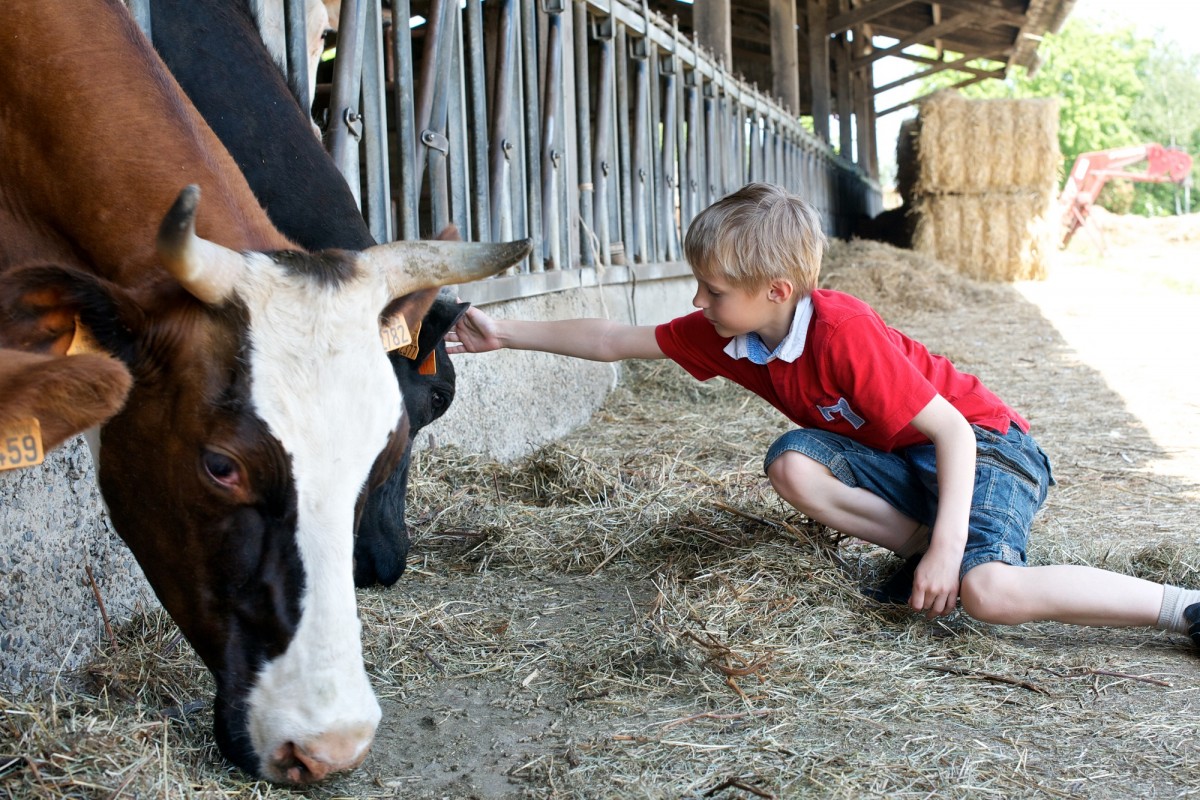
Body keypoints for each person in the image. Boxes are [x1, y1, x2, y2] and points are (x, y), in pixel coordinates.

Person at [445, 182, 1200, 647]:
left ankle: (1182, 608)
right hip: (906, 464)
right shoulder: (731, 335)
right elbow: (613, 339)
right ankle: (933, 548)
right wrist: (502, 332)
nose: (697, 304)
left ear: (776, 291)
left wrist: (947, 556)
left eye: (711, 289)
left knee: (986, 593)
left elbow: (953, 432)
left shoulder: (840, 330)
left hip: (988, 448)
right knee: (791, 462)